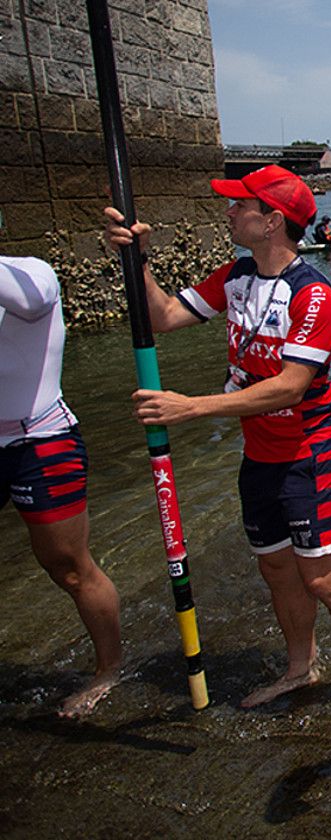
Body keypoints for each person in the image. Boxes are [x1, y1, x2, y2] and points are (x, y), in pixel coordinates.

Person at [101, 165, 331, 717]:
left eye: (240, 206)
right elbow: (161, 317)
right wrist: (134, 260)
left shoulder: (314, 295)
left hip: (314, 452)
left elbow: (289, 387)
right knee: (276, 569)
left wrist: (191, 408)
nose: (229, 212)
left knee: (323, 577)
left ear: (272, 221)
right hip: (261, 455)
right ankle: (300, 666)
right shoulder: (234, 277)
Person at [1, 255, 122, 717]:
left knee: (69, 568)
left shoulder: (33, 272)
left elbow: (31, 303)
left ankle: (108, 669)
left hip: (41, 441)